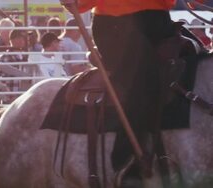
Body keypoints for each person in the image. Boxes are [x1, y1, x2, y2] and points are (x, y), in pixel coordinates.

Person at [61, 0, 181, 183]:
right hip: (117, 24)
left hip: (159, 22)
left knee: (195, 66)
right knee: (142, 82)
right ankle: (126, 163)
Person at [0, 29, 28, 100]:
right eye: (19, 38)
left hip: (24, 97)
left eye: (23, 38)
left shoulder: (26, 56)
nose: (22, 40)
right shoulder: (4, 57)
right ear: (12, 40)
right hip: (9, 97)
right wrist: (7, 93)